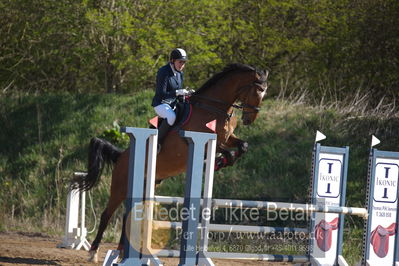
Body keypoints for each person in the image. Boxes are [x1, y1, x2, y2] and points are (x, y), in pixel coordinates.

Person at [152, 48, 191, 151]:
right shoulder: (163, 72)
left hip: (172, 104)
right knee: (171, 116)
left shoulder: (180, 74)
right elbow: (161, 94)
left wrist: (187, 95)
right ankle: (157, 142)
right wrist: (178, 92)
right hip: (160, 104)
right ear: (173, 61)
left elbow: (178, 94)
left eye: (183, 62)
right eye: (180, 62)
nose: (182, 65)